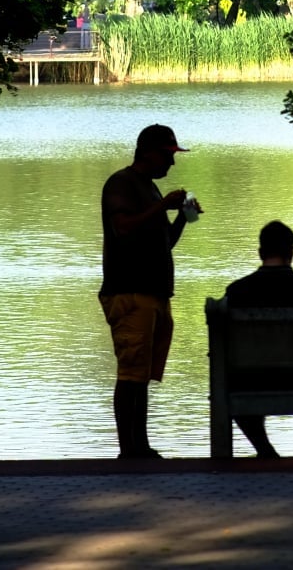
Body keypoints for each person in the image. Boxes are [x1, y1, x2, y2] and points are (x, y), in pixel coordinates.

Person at [99, 122, 201, 459]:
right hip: (129, 292)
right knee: (130, 373)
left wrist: (183, 217)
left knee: (142, 375)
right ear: (148, 153)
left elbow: (165, 243)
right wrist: (161, 206)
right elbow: (122, 228)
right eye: (168, 155)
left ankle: (140, 446)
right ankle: (128, 450)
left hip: (155, 294)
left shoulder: (151, 189)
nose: (172, 164)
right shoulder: (121, 183)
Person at [221, 220, 293, 458]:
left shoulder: (236, 292)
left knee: (229, 379)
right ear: (292, 253)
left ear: (260, 252)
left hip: (252, 381)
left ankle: (265, 450)